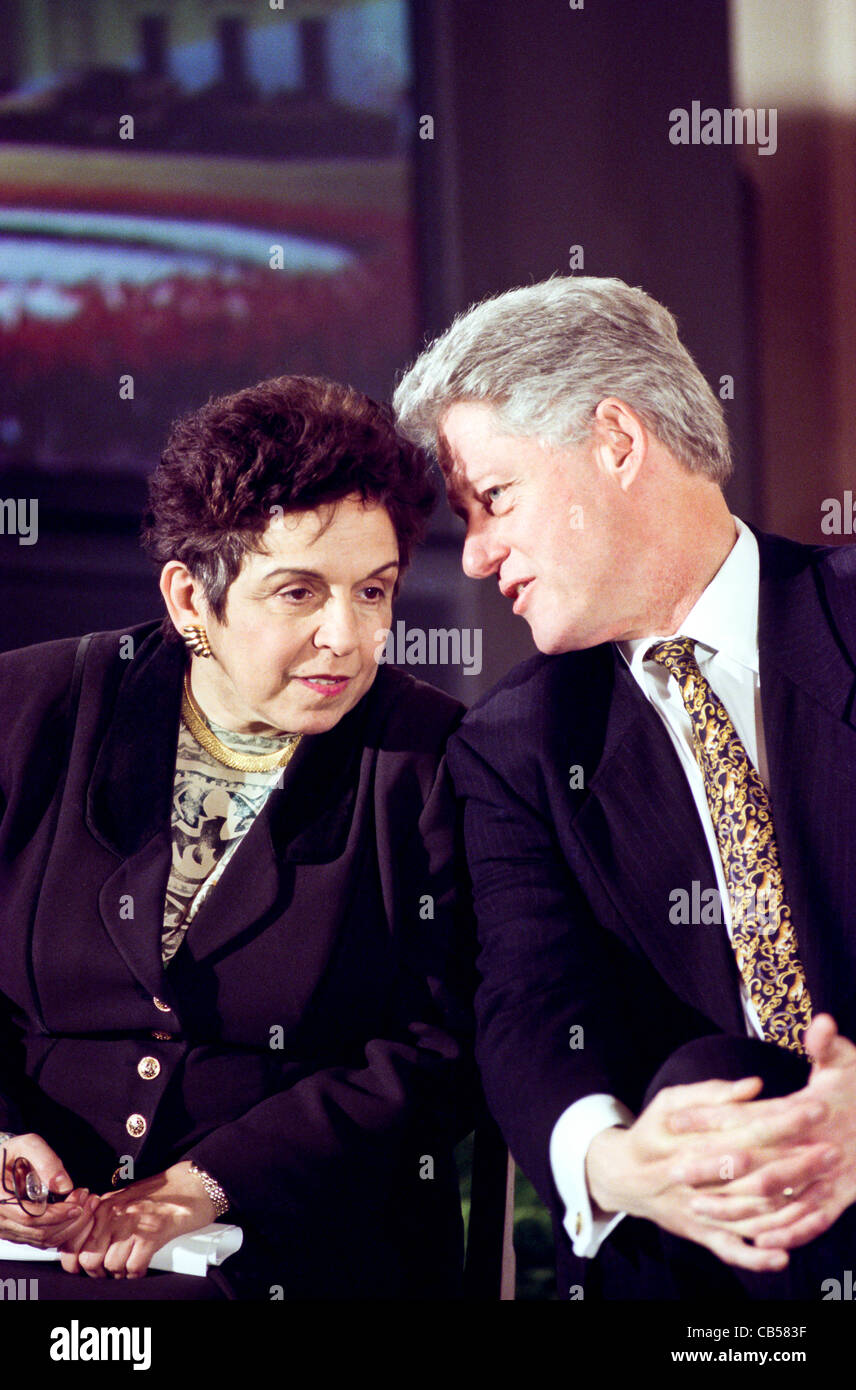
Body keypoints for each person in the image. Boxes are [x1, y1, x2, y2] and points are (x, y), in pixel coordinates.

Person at [393, 275, 856, 1300]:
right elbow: (528, 998)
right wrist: (610, 1161)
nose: (473, 557)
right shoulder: (513, 747)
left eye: (495, 499)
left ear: (615, 439)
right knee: (695, 1100)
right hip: (707, 1245)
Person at [0, 373, 475, 1300]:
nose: (348, 636)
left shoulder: (431, 763)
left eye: (373, 592)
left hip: (303, 1255)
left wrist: (202, 1189)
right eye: (298, 592)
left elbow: (442, 1049)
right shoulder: (29, 711)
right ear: (189, 598)